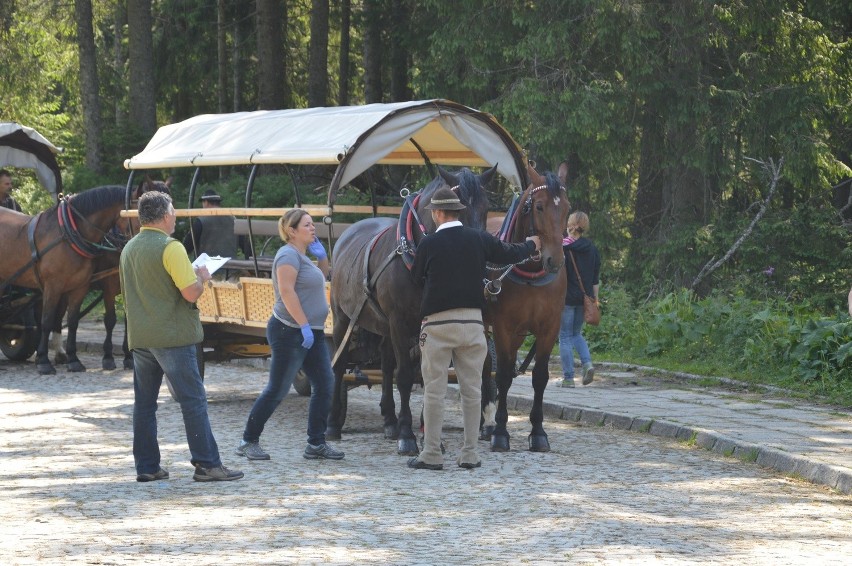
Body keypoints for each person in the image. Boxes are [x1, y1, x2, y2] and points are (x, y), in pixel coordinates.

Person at [407, 187, 541, 470]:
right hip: (472, 325)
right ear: (459, 212)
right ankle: (470, 453)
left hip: (438, 326)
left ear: (438, 213)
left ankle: (431, 453)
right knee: (472, 391)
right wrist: (531, 244)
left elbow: (417, 280)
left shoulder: (428, 245)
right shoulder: (479, 239)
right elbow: (509, 254)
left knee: (434, 391)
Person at [119, 191, 244, 483]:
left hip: (141, 336)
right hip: (173, 335)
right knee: (193, 401)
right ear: (164, 216)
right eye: (173, 211)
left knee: (145, 404)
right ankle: (208, 464)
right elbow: (190, 292)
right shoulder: (171, 247)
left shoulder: (129, 248)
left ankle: (147, 466)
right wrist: (201, 277)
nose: (175, 216)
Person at [236, 208, 343, 461]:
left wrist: (323, 259)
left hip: (310, 332)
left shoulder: (303, 256)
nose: (313, 228)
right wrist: (304, 325)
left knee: (325, 384)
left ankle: (315, 443)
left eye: (312, 223)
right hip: (289, 331)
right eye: (307, 225)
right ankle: (247, 440)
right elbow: (287, 292)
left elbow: (322, 278)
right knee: (278, 389)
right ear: (291, 231)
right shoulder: (287, 255)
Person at [559, 211, 601, 388]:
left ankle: (568, 378)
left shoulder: (563, 248)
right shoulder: (592, 248)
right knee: (576, 334)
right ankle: (587, 364)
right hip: (585, 299)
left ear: (569, 224)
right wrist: (595, 300)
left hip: (567, 298)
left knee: (565, 337)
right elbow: (595, 279)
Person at [182, 188, 251, 259]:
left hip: (206, 268)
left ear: (206, 202)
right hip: (231, 268)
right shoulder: (233, 219)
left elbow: (186, 247)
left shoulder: (201, 221)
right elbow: (246, 248)